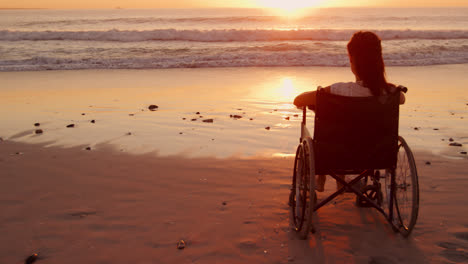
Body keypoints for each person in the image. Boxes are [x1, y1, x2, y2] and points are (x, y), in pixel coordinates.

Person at [293, 31, 406, 192]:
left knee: (336, 126)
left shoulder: (339, 90)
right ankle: (346, 180)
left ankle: (320, 177)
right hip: (377, 155)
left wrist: (316, 98)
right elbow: (401, 99)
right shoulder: (390, 93)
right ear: (379, 61)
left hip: (336, 154)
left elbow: (298, 100)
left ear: (353, 61)